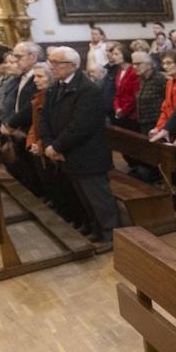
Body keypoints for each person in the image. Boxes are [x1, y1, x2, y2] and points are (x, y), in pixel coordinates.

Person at [37, 47, 120, 245]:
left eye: (57, 63)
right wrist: (48, 144)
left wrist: (56, 147)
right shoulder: (55, 87)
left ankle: (115, 237)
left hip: (87, 154)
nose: (52, 67)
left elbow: (81, 126)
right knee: (84, 198)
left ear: (73, 65)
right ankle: (97, 230)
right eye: (51, 62)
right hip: (67, 154)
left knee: (99, 199)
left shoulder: (87, 89)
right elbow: (44, 119)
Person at [107, 42, 139, 130]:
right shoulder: (119, 72)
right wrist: (117, 108)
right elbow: (118, 94)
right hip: (120, 112)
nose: (113, 57)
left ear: (125, 54)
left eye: (116, 54)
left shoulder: (133, 71)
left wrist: (123, 111)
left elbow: (134, 96)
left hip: (132, 114)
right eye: (113, 54)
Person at [133, 52, 166, 134]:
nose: (134, 67)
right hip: (143, 122)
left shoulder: (159, 78)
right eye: (133, 64)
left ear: (149, 64)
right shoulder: (142, 78)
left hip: (157, 123)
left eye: (138, 64)